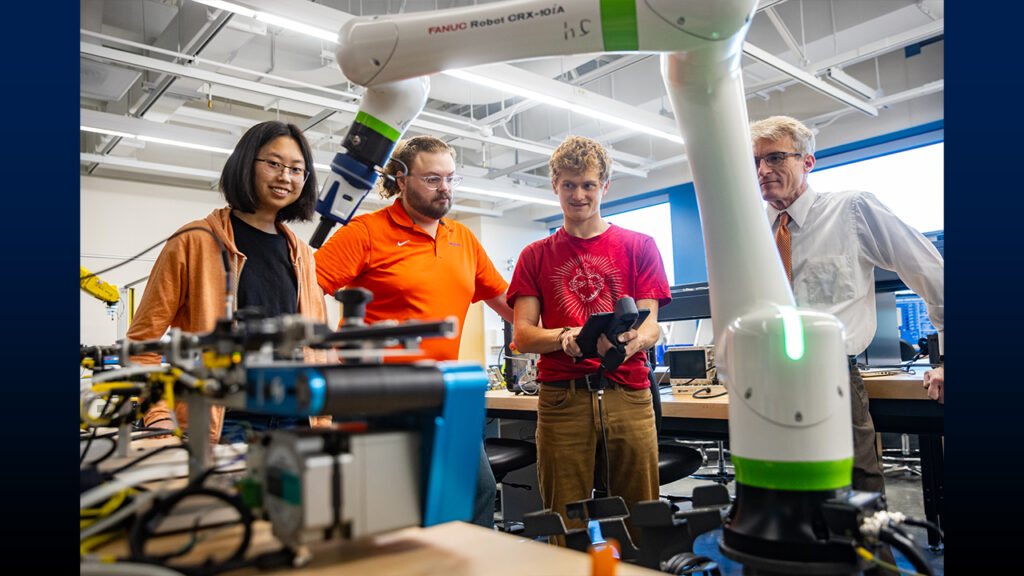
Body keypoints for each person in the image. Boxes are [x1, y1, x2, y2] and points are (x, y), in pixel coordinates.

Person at [314, 135, 513, 528]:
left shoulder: (463, 239)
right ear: (401, 179)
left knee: (474, 492)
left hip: (443, 392)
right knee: (386, 509)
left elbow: (506, 301)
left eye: (451, 179)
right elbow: (304, 289)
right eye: (433, 179)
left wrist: (560, 330)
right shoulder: (365, 233)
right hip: (374, 395)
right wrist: (320, 353)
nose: (446, 189)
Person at [749, 115, 944, 496]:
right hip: (765, 380)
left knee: (856, 498)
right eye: (754, 161)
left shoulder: (852, 211)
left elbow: (931, 273)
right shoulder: (753, 231)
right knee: (779, 499)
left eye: (774, 158)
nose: (762, 170)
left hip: (830, 377)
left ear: (807, 161)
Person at [507, 135, 671, 544]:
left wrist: (629, 344)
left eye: (588, 185)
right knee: (565, 520)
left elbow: (652, 326)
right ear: (555, 186)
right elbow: (523, 335)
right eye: (568, 184)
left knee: (640, 516)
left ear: (605, 186)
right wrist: (565, 337)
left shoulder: (640, 247)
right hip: (563, 398)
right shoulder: (534, 255)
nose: (578, 195)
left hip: (628, 392)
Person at [129, 121, 331, 444]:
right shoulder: (194, 241)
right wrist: (157, 415)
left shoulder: (302, 255)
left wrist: (323, 417)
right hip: (226, 421)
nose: (285, 177)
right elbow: (142, 344)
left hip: (296, 416)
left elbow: (318, 348)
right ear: (245, 163)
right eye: (274, 164)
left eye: (297, 169)